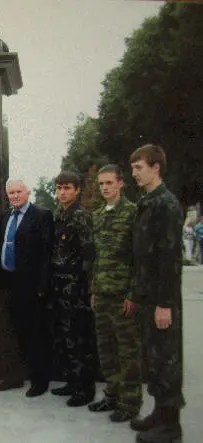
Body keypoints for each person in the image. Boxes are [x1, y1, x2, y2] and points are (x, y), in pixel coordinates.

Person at [129, 144, 185, 443]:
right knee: (152, 357)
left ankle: (171, 427)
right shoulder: (148, 202)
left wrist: (164, 304)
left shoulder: (166, 205)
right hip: (149, 296)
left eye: (139, 167)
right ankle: (159, 413)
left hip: (162, 299)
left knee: (167, 359)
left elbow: (169, 259)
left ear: (156, 168)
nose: (134, 173)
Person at [88, 164, 142, 423]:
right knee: (106, 349)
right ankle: (111, 395)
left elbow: (138, 259)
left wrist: (133, 294)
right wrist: (94, 291)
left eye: (110, 183)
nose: (105, 188)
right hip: (103, 293)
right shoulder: (97, 215)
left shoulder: (133, 213)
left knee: (127, 351)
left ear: (121, 183)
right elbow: (98, 258)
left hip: (123, 295)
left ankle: (130, 403)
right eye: (102, 184)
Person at [0, 179, 54, 397]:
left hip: (31, 286)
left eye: (18, 191)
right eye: (10, 193)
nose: (15, 196)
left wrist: (42, 285)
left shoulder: (41, 216)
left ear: (27, 192)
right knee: (12, 334)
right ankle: (15, 377)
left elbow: (47, 253)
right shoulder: (5, 217)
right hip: (9, 283)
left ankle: (39, 381)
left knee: (35, 335)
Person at [50, 171, 97, 407]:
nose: (62, 192)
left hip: (76, 287)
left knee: (79, 337)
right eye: (59, 188)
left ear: (77, 190)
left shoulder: (80, 216)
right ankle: (71, 381)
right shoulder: (59, 213)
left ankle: (85, 389)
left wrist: (88, 287)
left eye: (67, 188)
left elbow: (90, 253)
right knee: (65, 337)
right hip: (60, 285)